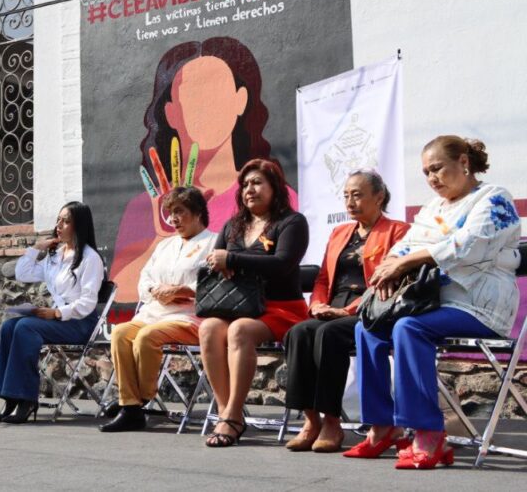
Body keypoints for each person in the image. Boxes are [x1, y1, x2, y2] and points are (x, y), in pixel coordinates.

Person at [346, 137, 521, 470]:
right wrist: (391, 266)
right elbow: (405, 245)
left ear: (464, 162)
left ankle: (428, 433)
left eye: (437, 168)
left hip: (479, 307)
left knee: (409, 328)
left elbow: (470, 245)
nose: (431, 178)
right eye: (426, 172)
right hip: (433, 304)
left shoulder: (494, 198)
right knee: (368, 327)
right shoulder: (432, 208)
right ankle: (382, 425)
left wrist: (407, 261)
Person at [111, 37, 297, 303]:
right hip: (158, 312)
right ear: (171, 112)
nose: (206, 107)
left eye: (216, 92)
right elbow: (118, 290)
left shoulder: (271, 199)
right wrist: (161, 237)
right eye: (192, 96)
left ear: (240, 100)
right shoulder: (146, 206)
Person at [282, 171, 409, 451]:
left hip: (372, 309)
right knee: (299, 332)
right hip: (333, 305)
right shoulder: (340, 232)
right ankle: (311, 420)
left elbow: (388, 282)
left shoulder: (397, 231)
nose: (350, 202)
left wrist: (347, 310)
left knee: (329, 334)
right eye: (347, 195)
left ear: (379, 197)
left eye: (358, 195)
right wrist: (317, 304)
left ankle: (332, 421)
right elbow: (323, 278)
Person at [199, 158, 309, 447]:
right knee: (208, 328)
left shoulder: (292, 222)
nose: (250, 189)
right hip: (238, 306)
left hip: (281, 308)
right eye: (245, 184)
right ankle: (226, 411)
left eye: (258, 182)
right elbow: (215, 259)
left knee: (239, 330)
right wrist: (219, 263)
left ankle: (233, 415)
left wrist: (233, 259)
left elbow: (282, 264)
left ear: (275, 187)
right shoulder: (233, 225)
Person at [100, 187, 216, 432]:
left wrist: (182, 290)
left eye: (179, 212)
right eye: (170, 213)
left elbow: (216, 284)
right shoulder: (165, 245)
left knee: (146, 336)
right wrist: (155, 290)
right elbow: (145, 278)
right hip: (155, 312)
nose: (173, 219)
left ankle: (137, 401)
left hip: (189, 316)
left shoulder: (213, 242)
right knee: (120, 333)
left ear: (197, 212)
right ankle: (130, 405)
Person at [0, 201, 105, 424]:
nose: (59, 225)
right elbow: (23, 273)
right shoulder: (56, 256)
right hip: (60, 320)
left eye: (66, 221)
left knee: (25, 328)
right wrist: (37, 248)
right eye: (58, 220)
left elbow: (88, 303)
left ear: (79, 225)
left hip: (80, 323)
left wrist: (57, 313)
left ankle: (26, 399)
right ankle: (10, 397)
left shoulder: (90, 258)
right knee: (8, 327)